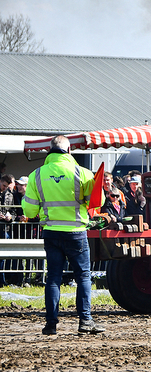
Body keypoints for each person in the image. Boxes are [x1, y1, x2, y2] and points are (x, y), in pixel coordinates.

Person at [22, 135, 105, 335]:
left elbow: (29, 212)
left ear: (49, 151)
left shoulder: (37, 175)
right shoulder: (82, 172)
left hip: (51, 233)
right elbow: (96, 201)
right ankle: (85, 321)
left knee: (53, 279)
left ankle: (51, 324)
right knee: (83, 276)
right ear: (69, 151)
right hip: (76, 233)